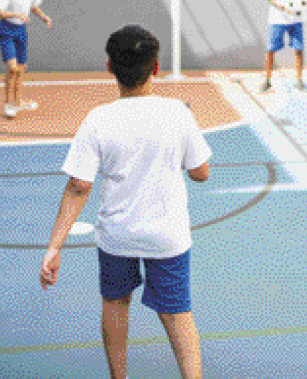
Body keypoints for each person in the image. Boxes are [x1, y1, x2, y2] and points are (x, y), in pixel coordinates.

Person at [40, 25, 212, 379]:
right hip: (167, 237)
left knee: (116, 304)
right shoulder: (177, 112)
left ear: (109, 68)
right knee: (177, 313)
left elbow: (78, 186)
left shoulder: (98, 120)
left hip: (117, 236)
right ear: (156, 68)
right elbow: (201, 173)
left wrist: (53, 248)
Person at [0, 0, 51, 119]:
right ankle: (8, 104)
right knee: (12, 68)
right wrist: (16, 14)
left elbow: (33, 6)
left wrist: (44, 17)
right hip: (6, 31)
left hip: (21, 32)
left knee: (21, 68)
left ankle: (18, 102)